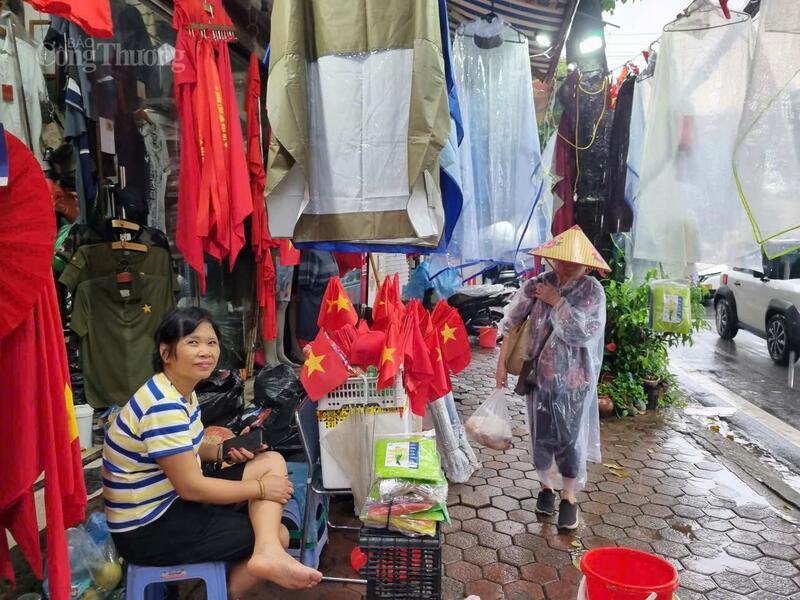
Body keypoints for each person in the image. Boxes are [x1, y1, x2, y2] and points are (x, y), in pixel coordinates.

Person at [102, 307, 322, 596]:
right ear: (166, 352)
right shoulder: (162, 407)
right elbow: (192, 488)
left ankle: (266, 553)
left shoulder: (180, 390)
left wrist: (223, 451)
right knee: (278, 532)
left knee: (270, 460)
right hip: (148, 528)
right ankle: (225, 589)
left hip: (168, 504)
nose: (205, 351)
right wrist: (258, 488)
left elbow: (187, 448)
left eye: (211, 342)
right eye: (193, 342)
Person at [496, 226, 607, 530]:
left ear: (587, 262)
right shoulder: (537, 284)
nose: (566, 265)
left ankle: (569, 496)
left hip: (574, 380)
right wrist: (501, 365)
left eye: (574, 260)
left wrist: (557, 301)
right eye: (561, 259)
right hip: (539, 377)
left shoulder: (592, 291)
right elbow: (511, 321)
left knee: (569, 439)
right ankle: (546, 487)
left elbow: (584, 332)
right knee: (541, 435)